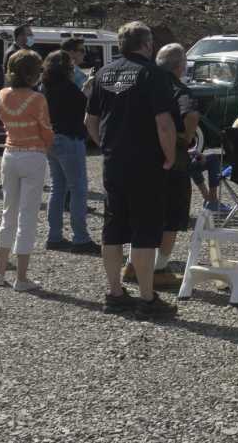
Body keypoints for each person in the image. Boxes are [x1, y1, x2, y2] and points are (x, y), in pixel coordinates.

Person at [85, 22, 180, 318]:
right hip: (145, 162)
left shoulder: (103, 73)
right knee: (144, 230)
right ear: (146, 44)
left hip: (113, 162)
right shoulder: (153, 74)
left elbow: (90, 120)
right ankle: (148, 299)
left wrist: (107, 145)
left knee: (112, 229)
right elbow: (164, 123)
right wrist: (170, 156)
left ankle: (114, 293)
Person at [0, 49, 53, 291]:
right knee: (27, 217)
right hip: (33, 155)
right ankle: (22, 277)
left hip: (10, 154)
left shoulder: (3, 94)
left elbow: (4, 120)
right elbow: (46, 130)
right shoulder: (38, 99)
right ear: (32, 74)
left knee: (8, 213)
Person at [152, 43, 204, 280]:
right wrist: (187, 136)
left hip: (143, 157)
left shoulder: (146, 84)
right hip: (172, 161)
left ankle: (134, 264)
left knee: (146, 213)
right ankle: (160, 268)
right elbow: (191, 114)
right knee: (172, 217)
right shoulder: (179, 89)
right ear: (180, 66)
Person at [41, 50, 98, 254]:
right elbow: (84, 106)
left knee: (58, 188)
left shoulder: (45, 87)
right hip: (70, 139)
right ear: (67, 68)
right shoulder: (68, 88)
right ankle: (80, 238)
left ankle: (54, 236)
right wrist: (89, 89)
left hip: (52, 138)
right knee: (78, 189)